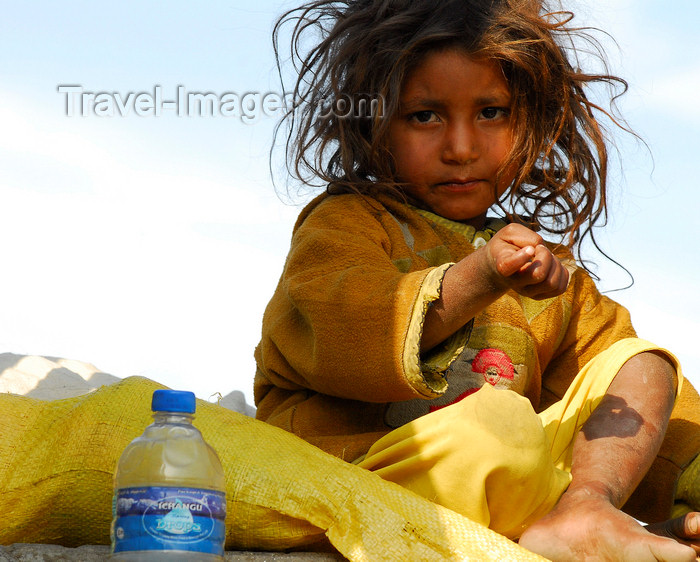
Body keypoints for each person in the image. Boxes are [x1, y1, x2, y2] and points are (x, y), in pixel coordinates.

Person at [254, 0, 700, 559]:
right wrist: (481, 275)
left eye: (491, 113)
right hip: (369, 478)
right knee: (498, 427)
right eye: (424, 116)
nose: (461, 148)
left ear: (532, 123)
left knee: (642, 363)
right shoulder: (346, 224)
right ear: (372, 125)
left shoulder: (548, 271)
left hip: (513, 492)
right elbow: (343, 324)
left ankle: (585, 509)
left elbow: (654, 413)